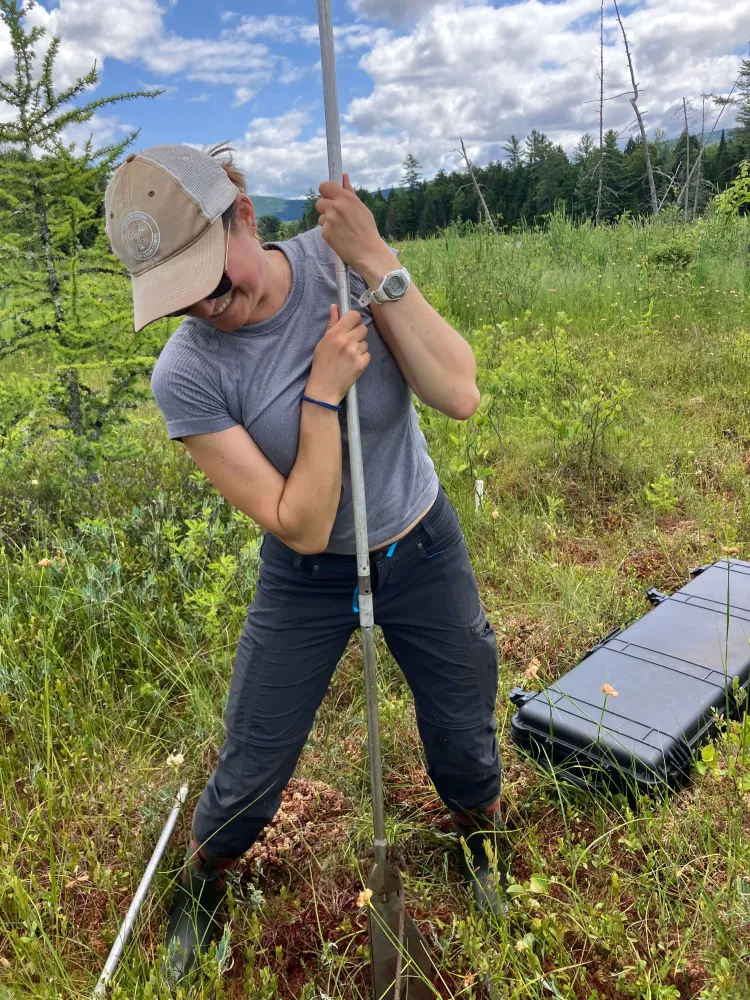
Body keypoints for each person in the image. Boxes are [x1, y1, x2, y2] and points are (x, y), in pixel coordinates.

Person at [104, 143, 505, 981]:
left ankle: (480, 838)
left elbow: (459, 393)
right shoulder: (186, 375)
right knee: (253, 760)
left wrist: (376, 259)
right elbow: (303, 522)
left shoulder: (341, 261)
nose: (205, 307)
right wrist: (322, 393)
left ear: (245, 218)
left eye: (212, 280)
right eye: (179, 297)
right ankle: (205, 880)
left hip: (421, 540)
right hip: (308, 573)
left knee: (464, 726)